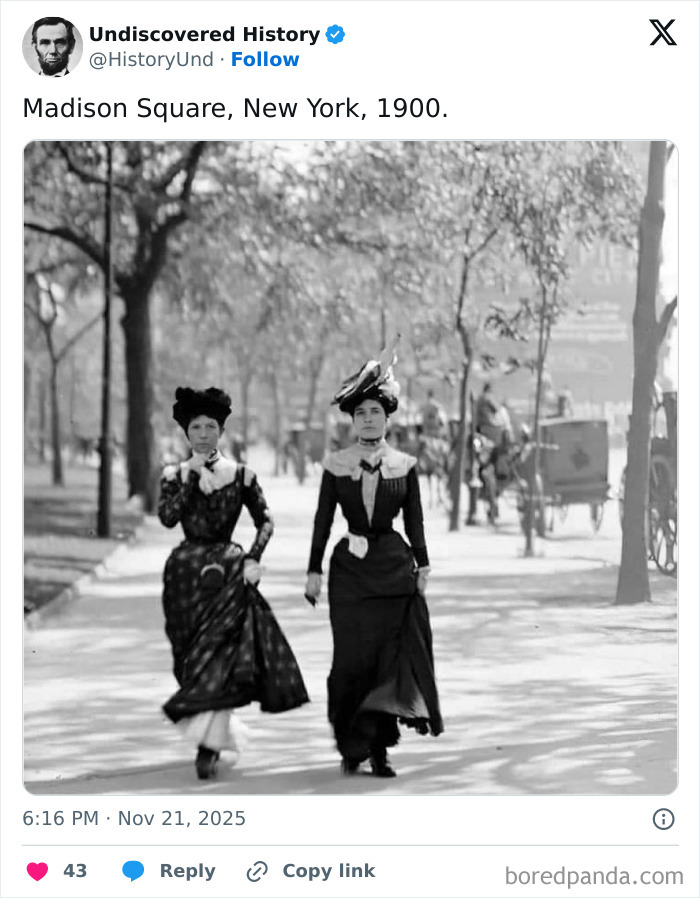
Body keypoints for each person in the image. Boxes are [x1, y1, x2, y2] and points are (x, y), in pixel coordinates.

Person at [304, 348, 443, 778]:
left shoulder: (404, 466)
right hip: (350, 574)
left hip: (392, 571)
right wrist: (314, 572)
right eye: (361, 412)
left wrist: (422, 565)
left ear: (388, 418)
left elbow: (415, 521)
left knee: (387, 662)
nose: (368, 419)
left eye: (375, 412)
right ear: (352, 419)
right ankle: (351, 745)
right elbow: (323, 522)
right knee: (350, 660)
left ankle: (380, 748)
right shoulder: (336, 466)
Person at [158, 386, 309, 780]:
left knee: (221, 655)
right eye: (196, 427)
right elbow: (168, 518)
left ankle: (208, 746)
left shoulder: (241, 475)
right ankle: (212, 727)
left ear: (221, 431)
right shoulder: (174, 475)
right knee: (186, 657)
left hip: (227, 571)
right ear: (186, 433)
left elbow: (266, 521)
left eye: (211, 426)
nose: (204, 434)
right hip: (184, 576)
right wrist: (191, 480)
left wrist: (254, 557)